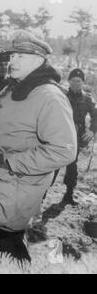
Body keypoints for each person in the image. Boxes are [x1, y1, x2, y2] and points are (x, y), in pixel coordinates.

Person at [0, 30, 77, 274]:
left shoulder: (48, 96)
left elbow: (64, 150)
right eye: (12, 55)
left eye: (20, 56)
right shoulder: (12, 89)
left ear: (38, 60)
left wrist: (11, 161)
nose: (12, 61)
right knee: (8, 235)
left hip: (23, 180)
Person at [62, 68, 97, 205]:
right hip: (60, 133)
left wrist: (92, 130)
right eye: (73, 81)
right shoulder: (61, 95)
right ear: (69, 81)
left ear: (83, 82)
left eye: (79, 81)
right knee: (52, 164)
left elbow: (96, 115)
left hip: (76, 135)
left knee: (72, 163)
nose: (76, 83)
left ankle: (68, 194)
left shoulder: (87, 98)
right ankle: (42, 194)